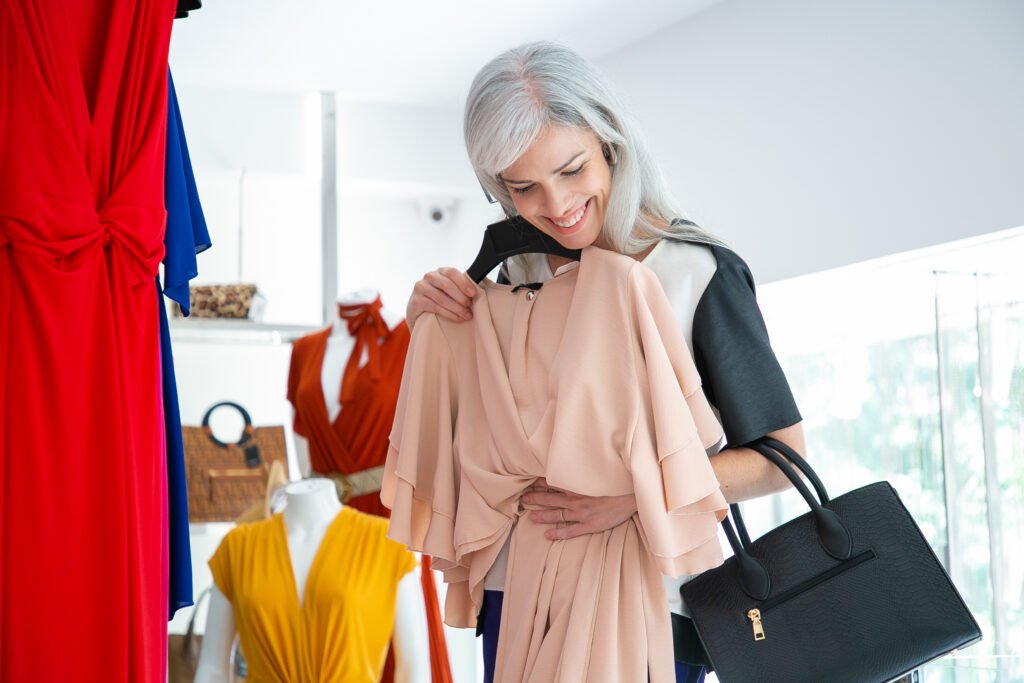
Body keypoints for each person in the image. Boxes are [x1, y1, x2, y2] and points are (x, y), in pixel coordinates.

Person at [405, 41, 806, 682]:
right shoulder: (516, 273)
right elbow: (474, 439)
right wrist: (432, 323)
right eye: (522, 186)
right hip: (523, 599)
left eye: (571, 169)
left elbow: (783, 459)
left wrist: (634, 495)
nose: (556, 204)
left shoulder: (698, 274)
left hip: (653, 606)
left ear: (611, 143)